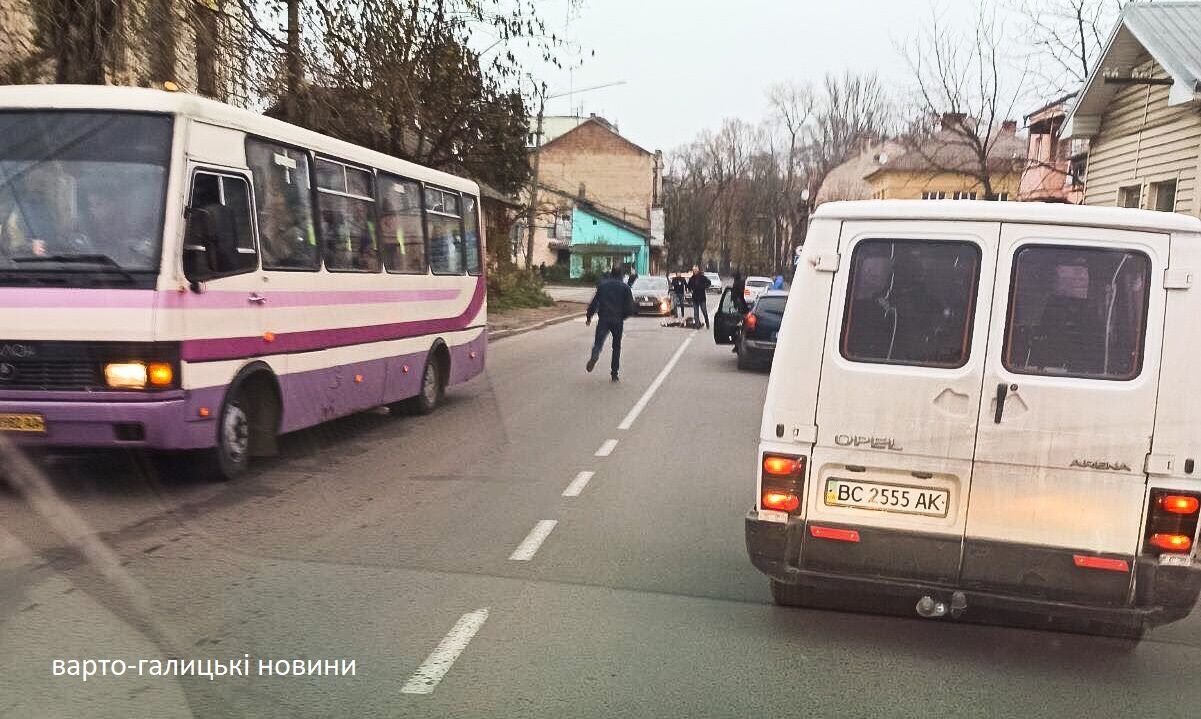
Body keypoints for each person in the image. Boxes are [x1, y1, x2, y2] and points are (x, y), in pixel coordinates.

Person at [586, 265, 636, 382]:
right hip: (617, 320)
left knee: (598, 342)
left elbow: (594, 303)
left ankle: (595, 354)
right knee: (616, 347)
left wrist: (589, 317)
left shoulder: (602, 286)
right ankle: (614, 373)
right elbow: (630, 307)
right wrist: (623, 316)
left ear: (611, 274)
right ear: (621, 275)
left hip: (604, 318)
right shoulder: (625, 288)